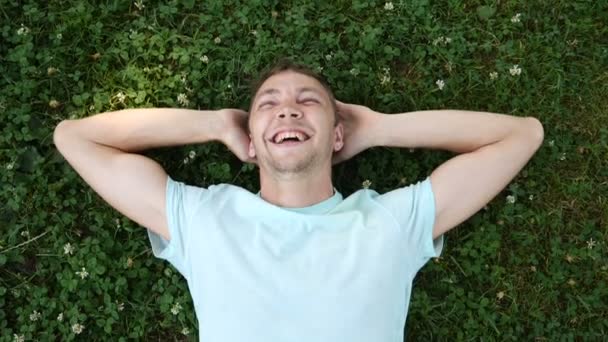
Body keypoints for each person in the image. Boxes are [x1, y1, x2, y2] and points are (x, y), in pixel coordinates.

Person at [53, 58, 544, 341]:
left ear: (337, 136)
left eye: (309, 101)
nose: (287, 108)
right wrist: (213, 124)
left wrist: (381, 128)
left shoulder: (392, 221)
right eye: (267, 105)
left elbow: (522, 135)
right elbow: (74, 137)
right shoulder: (203, 217)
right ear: (250, 140)